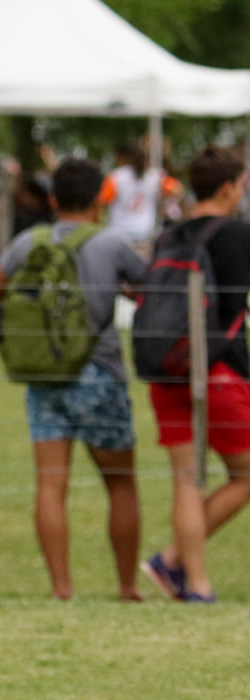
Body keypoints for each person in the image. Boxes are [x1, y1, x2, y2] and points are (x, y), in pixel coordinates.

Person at [0, 157, 147, 601]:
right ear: (100, 200)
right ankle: (128, 586)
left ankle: (61, 587)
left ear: (53, 199)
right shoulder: (113, 243)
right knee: (120, 483)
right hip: (101, 372)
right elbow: (146, 289)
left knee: (51, 484)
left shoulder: (26, 242)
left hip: (46, 375)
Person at [139, 146, 250, 604]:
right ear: (228, 188)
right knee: (245, 473)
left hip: (166, 369)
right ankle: (171, 561)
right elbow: (233, 310)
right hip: (218, 369)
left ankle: (193, 582)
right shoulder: (236, 235)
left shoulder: (169, 234)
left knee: (187, 478)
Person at [100, 141, 171, 248]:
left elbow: (102, 201)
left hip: (119, 233)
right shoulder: (156, 176)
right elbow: (176, 191)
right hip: (144, 234)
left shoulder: (115, 176)